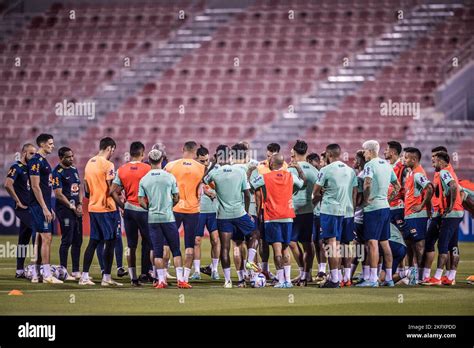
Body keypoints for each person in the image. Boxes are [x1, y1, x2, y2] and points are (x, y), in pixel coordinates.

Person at [204, 145, 260, 288]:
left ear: (218, 157)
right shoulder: (240, 171)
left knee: (225, 247)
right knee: (255, 234)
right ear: (230, 156)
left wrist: (214, 164)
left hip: (222, 215)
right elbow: (247, 194)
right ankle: (250, 260)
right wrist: (247, 210)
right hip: (239, 213)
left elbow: (203, 180)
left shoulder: (215, 173)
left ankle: (227, 281)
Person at [250, 153, 305, 288]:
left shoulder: (265, 177)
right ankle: (288, 281)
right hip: (288, 216)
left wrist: (249, 171)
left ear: (272, 163)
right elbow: (302, 183)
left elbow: (249, 185)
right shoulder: (290, 176)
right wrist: (298, 169)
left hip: (272, 217)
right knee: (286, 249)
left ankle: (281, 281)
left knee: (277, 250)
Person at [138, 149, 191, 289]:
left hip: (153, 218)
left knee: (157, 251)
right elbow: (176, 197)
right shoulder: (169, 177)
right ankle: (181, 280)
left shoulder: (144, 179)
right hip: (168, 217)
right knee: (176, 250)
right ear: (161, 160)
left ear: (149, 161)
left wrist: (149, 208)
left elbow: (140, 200)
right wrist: (169, 206)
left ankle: (161, 281)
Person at [356, 140, 400, 287]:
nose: (363, 153)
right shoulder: (387, 165)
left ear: (370, 151)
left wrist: (366, 199)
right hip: (385, 207)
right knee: (385, 243)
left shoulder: (369, 165)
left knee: (372, 243)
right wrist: (388, 198)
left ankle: (373, 279)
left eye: (364, 151)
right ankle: (388, 278)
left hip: (373, 209)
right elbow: (397, 186)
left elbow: (367, 183)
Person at [312, 144, 357, 288]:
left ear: (329, 155)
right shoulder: (351, 171)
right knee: (345, 244)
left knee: (332, 244)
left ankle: (335, 279)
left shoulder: (325, 170)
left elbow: (315, 192)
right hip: (348, 211)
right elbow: (355, 192)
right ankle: (347, 278)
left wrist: (318, 197)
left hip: (330, 210)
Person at [79, 137, 122, 286]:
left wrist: (94, 197)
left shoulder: (90, 162)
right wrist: (121, 201)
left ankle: (84, 276)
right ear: (110, 148)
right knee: (110, 241)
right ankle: (106, 278)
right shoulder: (108, 164)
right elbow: (111, 188)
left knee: (94, 241)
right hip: (106, 208)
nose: (112, 153)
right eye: (113, 150)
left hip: (93, 207)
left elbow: (87, 188)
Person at [109, 141, 152, 286]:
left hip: (129, 211)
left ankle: (133, 278)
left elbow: (112, 191)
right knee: (150, 242)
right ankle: (148, 273)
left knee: (131, 245)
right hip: (144, 210)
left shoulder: (122, 169)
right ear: (142, 153)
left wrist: (122, 205)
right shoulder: (148, 168)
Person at [165, 141, 205, 284]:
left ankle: (162, 277)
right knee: (190, 244)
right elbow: (205, 186)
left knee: (167, 242)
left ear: (182, 149)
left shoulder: (170, 166)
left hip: (174, 208)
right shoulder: (201, 168)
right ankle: (185, 279)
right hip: (193, 209)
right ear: (195, 152)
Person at [422, 152, 464, 286]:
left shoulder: (444, 172)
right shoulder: (450, 171)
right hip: (456, 213)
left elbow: (452, 186)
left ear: (441, 162)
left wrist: (450, 206)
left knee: (443, 245)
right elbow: (461, 191)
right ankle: (451, 276)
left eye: (434, 161)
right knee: (454, 245)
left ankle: (438, 277)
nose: (433, 164)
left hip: (451, 214)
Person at [28, 134, 61, 284]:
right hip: (38, 206)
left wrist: (48, 207)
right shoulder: (35, 161)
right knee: (46, 237)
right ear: (42, 144)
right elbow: (35, 186)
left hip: (43, 205)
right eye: (50, 143)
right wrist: (44, 208)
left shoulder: (43, 161)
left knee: (40, 239)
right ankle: (47, 274)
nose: (52, 146)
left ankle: (37, 274)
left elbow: (43, 186)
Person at [401, 147, 433, 285]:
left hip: (417, 215)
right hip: (409, 215)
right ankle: (412, 275)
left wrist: (421, 205)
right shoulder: (411, 173)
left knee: (419, 245)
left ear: (414, 160)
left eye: (406, 157)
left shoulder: (418, 174)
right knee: (409, 245)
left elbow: (430, 188)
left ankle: (421, 276)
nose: (404, 159)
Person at [5, 143, 37, 278]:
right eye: (31, 153)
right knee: (38, 230)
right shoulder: (16, 167)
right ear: (24, 153)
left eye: (34, 153)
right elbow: (7, 184)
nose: (33, 156)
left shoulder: (32, 168)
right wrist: (17, 200)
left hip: (32, 207)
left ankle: (19, 270)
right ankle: (37, 266)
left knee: (23, 239)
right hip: (23, 208)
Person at [288, 140, 317, 286]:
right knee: (307, 243)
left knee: (292, 242)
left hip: (294, 210)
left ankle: (302, 272)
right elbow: (319, 191)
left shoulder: (292, 169)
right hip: (309, 210)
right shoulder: (314, 170)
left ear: (293, 152)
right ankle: (307, 274)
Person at [52, 147, 83, 281]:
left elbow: (78, 188)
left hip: (76, 209)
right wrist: (72, 206)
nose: (71, 158)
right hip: (65, 211)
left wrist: (80, 204)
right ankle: (63, 271)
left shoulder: (74, 169)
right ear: (61, 158)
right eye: (68, 157)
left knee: (78, 239)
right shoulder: (56, 172)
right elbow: (58, 194)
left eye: (72, 156)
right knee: (67, 239)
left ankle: (76, 271)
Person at [194, 145, 220, 280]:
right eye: (201, 161)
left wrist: (213, 193)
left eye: (206, 160)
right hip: (198, 210)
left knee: (215, 240)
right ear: (196, 159)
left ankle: (214, 269)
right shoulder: (193, 170)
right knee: (197, 240)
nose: (204, 163)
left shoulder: (216, 169)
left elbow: (222, 188)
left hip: (213, 210)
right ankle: (197, 271)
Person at [307, 153, 327, 284]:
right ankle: (320, 270)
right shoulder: (313, 174)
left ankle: (323, 270)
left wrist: (310, 204)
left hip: (320, 213)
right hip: (313, 214)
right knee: (315, 242)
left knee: (322, 243)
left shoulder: (321, 174)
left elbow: (319, 195)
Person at [384, 141, 408, 233]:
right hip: (388, 206)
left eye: (387, 150)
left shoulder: (403, 167)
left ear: (393, 152)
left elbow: (406, 187)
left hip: (399, 207)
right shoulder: (386, 166)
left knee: (402, 235)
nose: (384, 152)